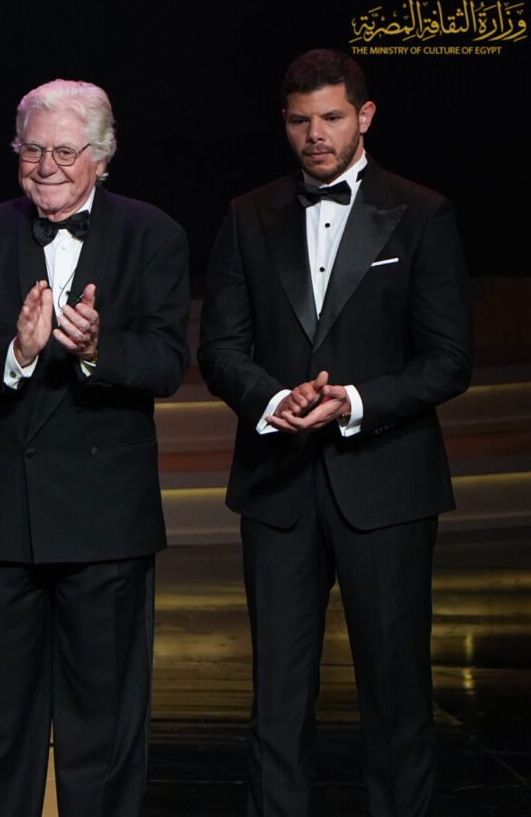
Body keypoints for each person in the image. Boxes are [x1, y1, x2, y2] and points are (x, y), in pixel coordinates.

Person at [198, 49, 472, 816]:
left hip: (387, 483)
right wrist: (273, 398)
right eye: (299, 121)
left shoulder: (421, 213)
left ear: (365, 116)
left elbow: (449, 360)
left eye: (330, 118)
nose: (314, 135)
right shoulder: (248, 215)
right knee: (278, 698)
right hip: (278, 483)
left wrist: (352, 401)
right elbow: (220, 348)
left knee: (396, 693)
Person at [0, 79, 190, 815]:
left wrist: (99, 349)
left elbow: (169, 362)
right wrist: (13, 353)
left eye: (66, 152)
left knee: (101, 733)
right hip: (2, 523)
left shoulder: (153, 234)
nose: (47, 166)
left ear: (102, 157)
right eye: (32, 149)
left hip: (106, 523)